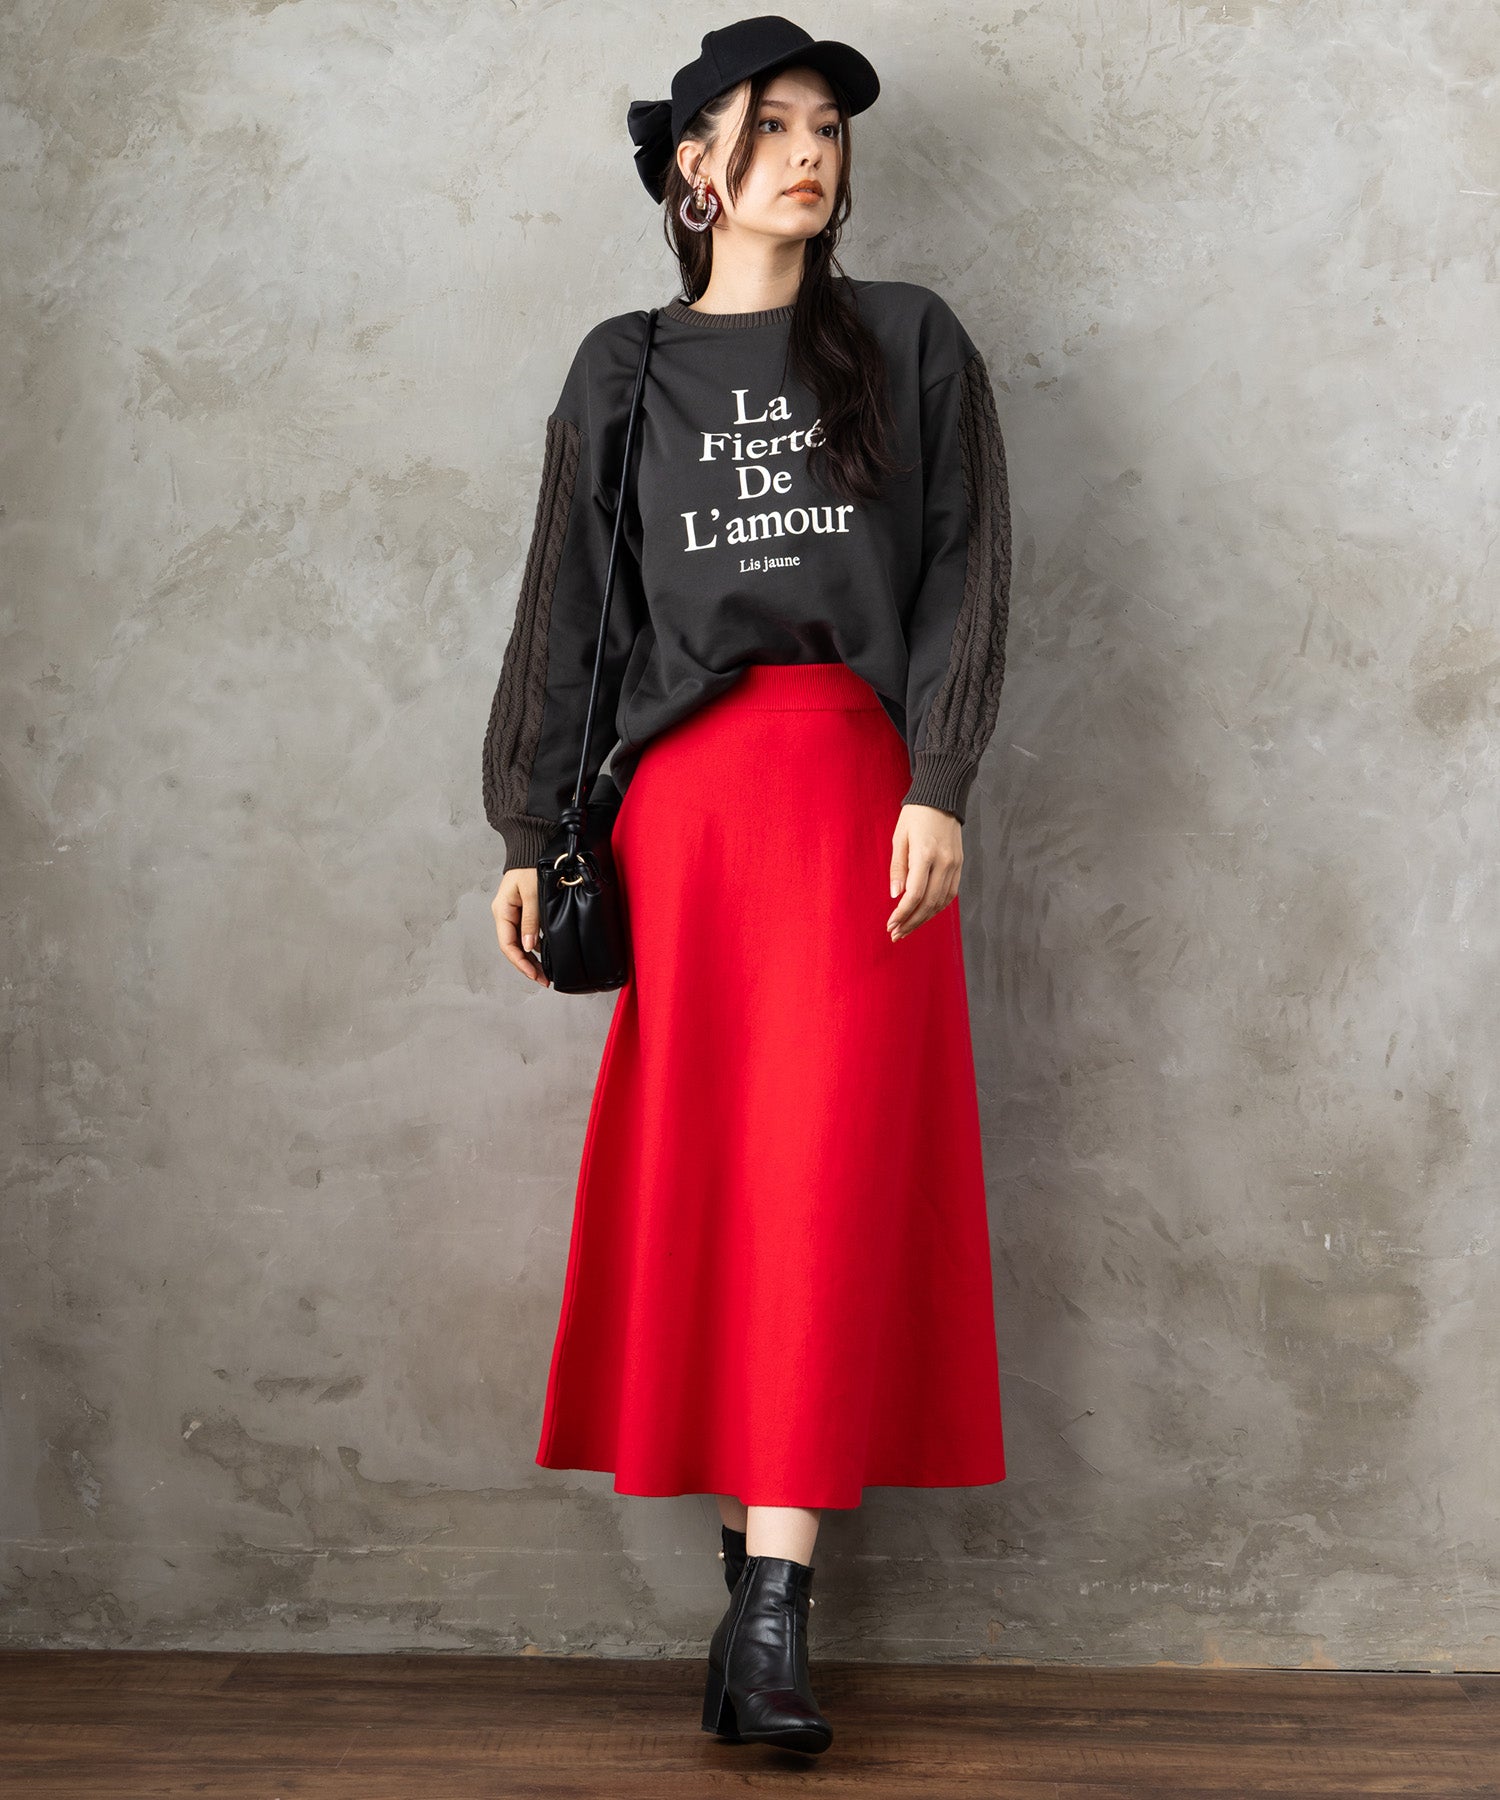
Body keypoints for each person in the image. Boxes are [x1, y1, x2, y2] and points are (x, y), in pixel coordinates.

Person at [481, 14, 1013, 1759]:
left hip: (856, 794)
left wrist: (938, 780)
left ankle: (771, 1607)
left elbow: (966, 569)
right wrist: (526, 827)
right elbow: (570, 604)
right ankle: (761, 1608)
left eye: (827, 129)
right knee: (722, 1185)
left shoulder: (910, 342)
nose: (810, 152)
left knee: (823, 1184)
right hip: (689, 818)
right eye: (771, 125)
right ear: (693, 167)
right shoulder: (624, 368)